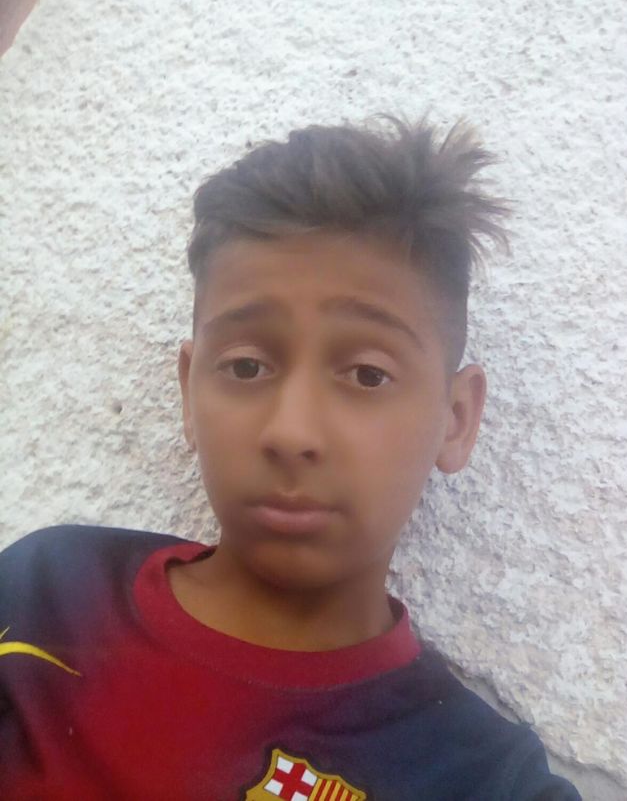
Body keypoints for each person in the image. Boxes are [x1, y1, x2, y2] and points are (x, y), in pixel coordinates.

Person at [0, 115, 582, 800]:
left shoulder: (479, 777)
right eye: (246, 366)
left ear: (456, 419)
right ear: (189, 391)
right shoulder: (47, 593)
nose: (291, 431)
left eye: (367, 374)